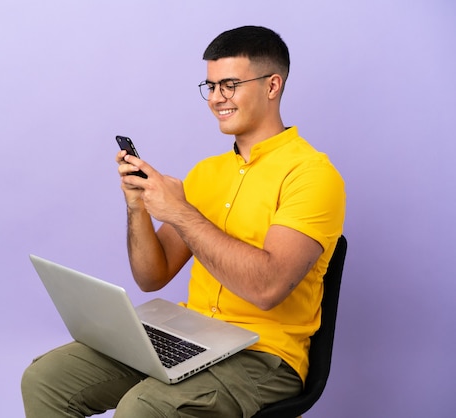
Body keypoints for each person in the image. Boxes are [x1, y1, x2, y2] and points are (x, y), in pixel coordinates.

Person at [21, 25, 346, 417]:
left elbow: (267, 287)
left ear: (272, 85)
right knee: (45, 379)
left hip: (263, 356)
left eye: (229, 84)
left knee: (142, 409)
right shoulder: (206, 173)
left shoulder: (312, 175)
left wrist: (179, 211)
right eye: (209, 86)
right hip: (191, 335)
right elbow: (151, 276)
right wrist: (137, 207)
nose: (215, 99)